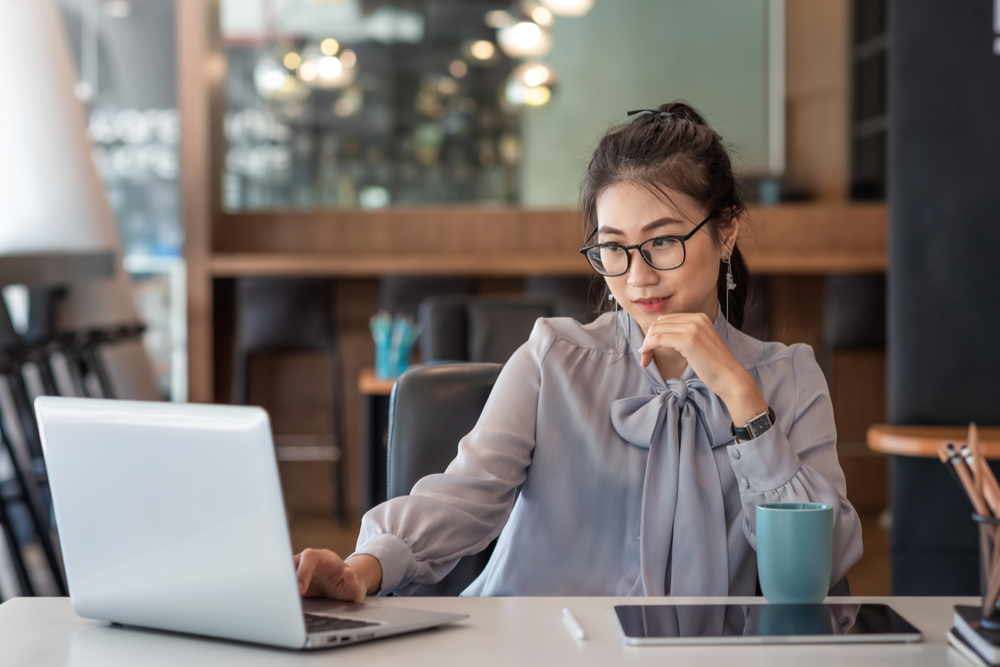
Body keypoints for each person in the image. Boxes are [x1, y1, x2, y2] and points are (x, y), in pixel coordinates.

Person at [294, 102, 864, 601]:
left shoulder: (789, 377)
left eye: (663, 241)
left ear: (728, 232)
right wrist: (360, 570)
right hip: (532, 644)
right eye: (614, 248)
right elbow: (464, 497)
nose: (637, 277)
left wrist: (744, 401)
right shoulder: (554, 358)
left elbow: (823, 568)